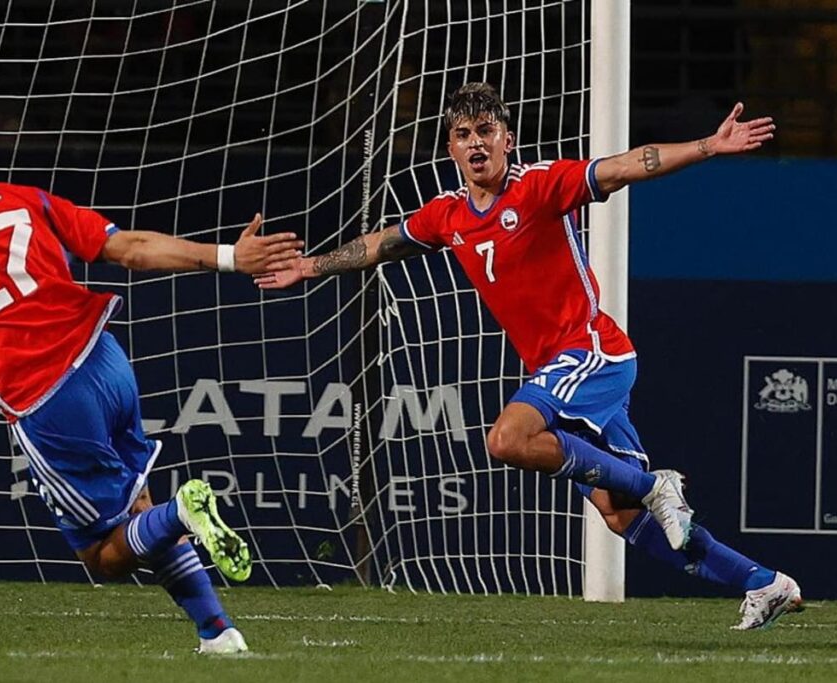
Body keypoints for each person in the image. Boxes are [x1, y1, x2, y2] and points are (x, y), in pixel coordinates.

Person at [256, 82, 802, 630]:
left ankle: (657, 485)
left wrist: (708, 145)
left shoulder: (540, 185)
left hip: (592, 351)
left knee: (508, 438)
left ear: (507, 139)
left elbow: (626, 166)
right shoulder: (447, 215)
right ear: (450, 147)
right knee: (619, 515)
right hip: (559, 368)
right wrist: (312, 266)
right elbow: (385, 243)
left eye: (486, 131)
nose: (476, 143)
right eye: (463, 134)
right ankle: (764, 583)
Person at [0, 108, 304, 653]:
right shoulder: (28, 199)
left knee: (103, 555)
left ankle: (185, 510)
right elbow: (132, 249)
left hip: (46, 394)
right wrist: (228, 256)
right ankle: (218, 633)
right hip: (105, 358)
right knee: (136, 512)